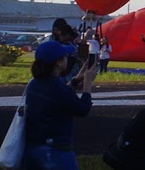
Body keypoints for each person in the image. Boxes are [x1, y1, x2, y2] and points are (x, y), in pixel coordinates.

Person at [23, 39, 97, 170]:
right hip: (56, 150)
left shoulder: (34, 83)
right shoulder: (59, 89)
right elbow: (83, 109)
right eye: (65, 57)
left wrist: (75, 80)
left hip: (32, 147)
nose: (67, 59)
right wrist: (88, 83)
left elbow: (59, 94)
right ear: (58, 62)